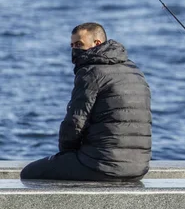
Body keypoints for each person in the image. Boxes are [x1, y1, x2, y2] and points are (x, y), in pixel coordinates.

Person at [21, 22, 152, 181]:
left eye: (79, 44)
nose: (74, 50)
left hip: (101, 165)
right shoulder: (134, 70)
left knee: (29, 173)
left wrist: (66, 154)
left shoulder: (91, 72)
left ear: (97, 43)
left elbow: (75, 123)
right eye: (72, 45)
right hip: (139, 168)